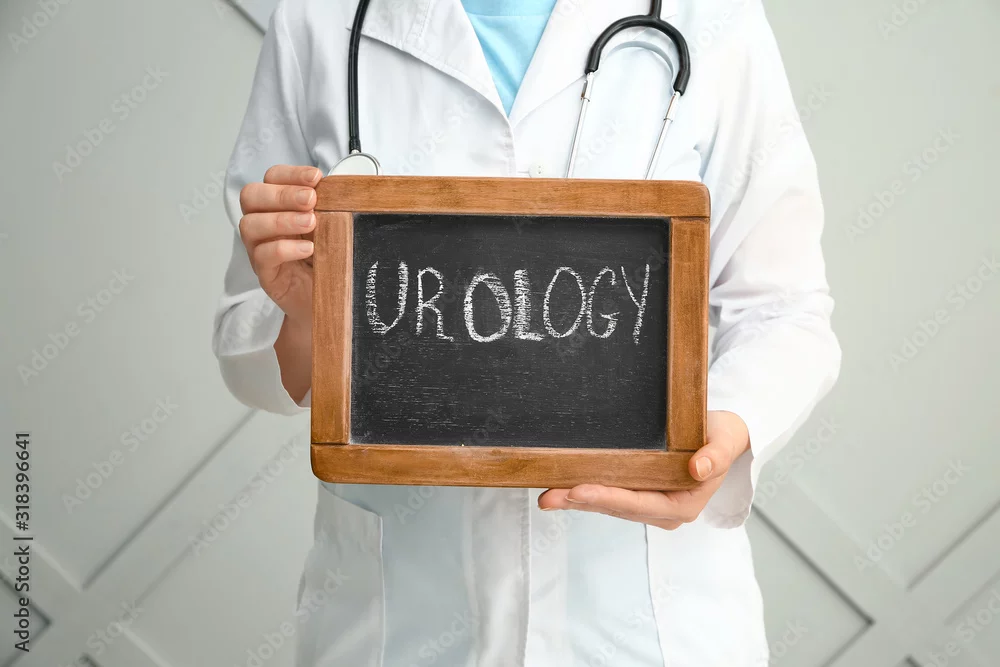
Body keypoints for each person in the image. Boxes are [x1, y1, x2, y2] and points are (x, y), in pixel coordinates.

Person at [213, 0, 841, 664]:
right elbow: (250, 347)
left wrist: (717, 441)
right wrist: (309, 315)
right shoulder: (318, 18)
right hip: (401, 627)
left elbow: (785, 309)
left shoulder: (713, 16)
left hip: (644, 626)